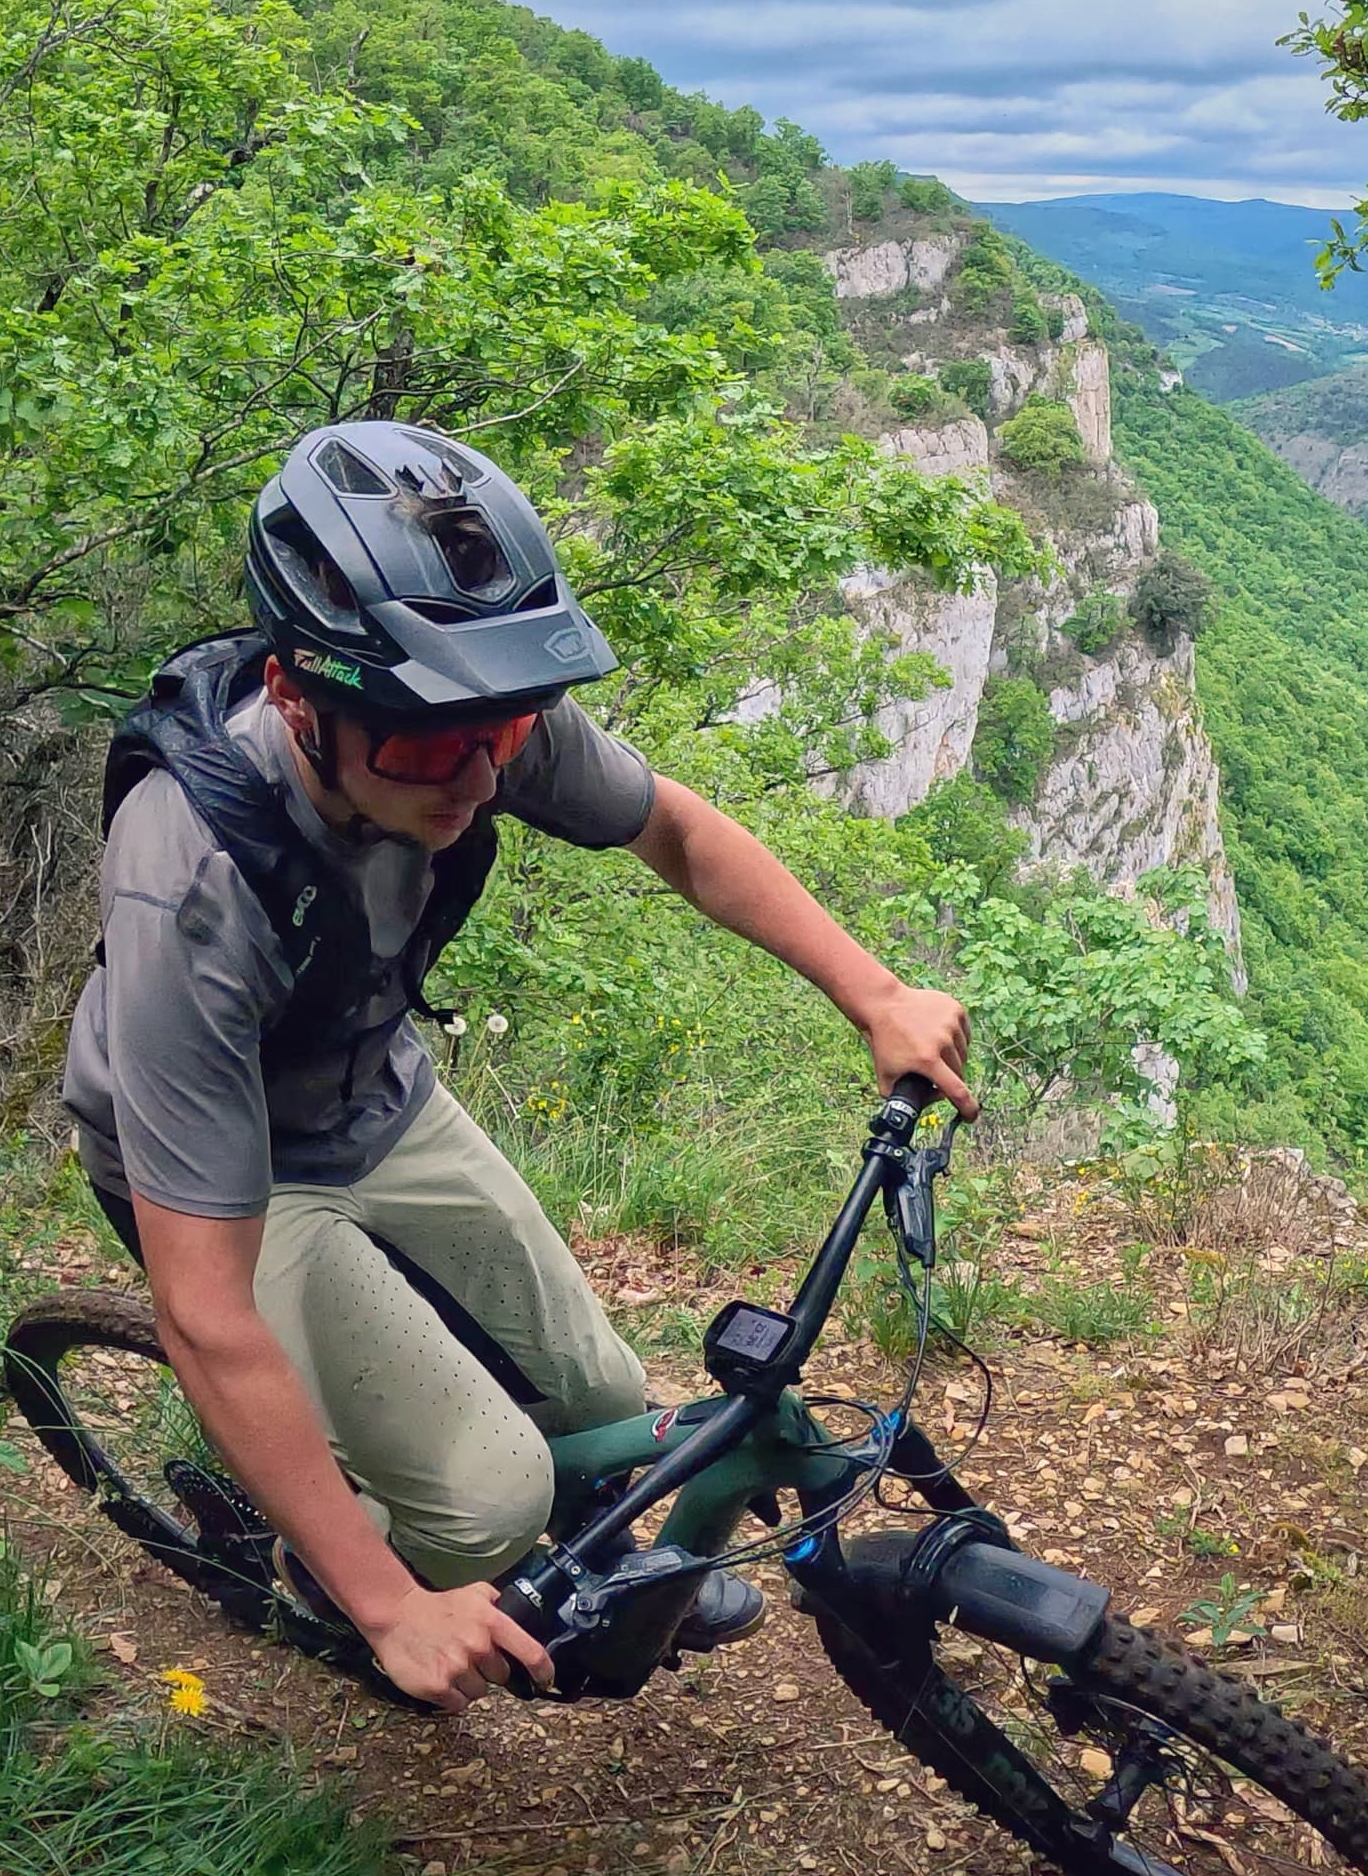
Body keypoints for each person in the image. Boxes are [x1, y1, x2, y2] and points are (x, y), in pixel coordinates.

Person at [65, 421, 977, 1711]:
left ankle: (567, 1555)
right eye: (439, 750)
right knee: (491, 1501)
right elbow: (203, 1310)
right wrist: (391, 1605)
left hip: (374, 1092)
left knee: (602, 1402)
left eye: (507, 732)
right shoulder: (193, 886)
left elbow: (674, 830)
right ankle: (331, 1571)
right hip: (242, 1166)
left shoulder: (462, 708)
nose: (485, 777)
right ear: (295, 695)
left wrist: (874, 993)